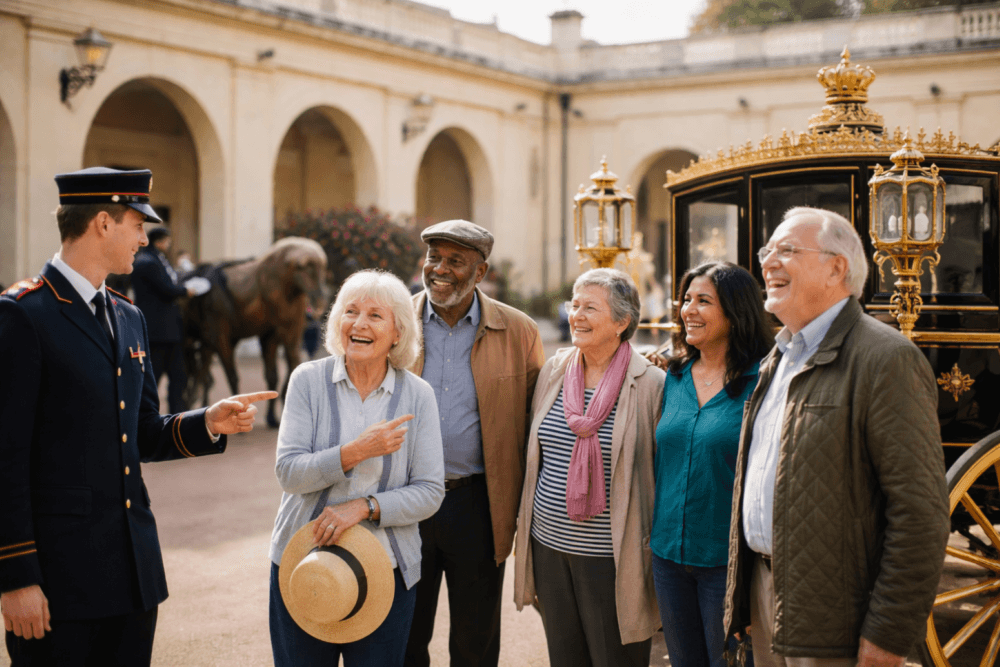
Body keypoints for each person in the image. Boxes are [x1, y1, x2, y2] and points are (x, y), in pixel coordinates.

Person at [0, 166, 275, 666]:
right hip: (60, 581)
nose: (144, 238)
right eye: (137, 224)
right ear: (103, 223)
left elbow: (143, 431)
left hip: (132, 573)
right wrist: (16, 576)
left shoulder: (129, 316)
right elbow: (5, 455)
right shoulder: (23, 314)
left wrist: (206, 422)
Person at [723, 207, 950, 667]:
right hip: (768, 599)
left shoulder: (885, 358)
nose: (767, 261)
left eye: (786, 250)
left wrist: (888, 635)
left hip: (837, 622)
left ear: (836, 268)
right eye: (768, 250)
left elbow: (920, 515)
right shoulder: (778, 358)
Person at [268, 269, 445, 666]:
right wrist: (356, 451)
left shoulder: (418, 395)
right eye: (350, 312)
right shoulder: (307, 381)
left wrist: (365, 507)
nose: (359, 324)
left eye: (375, 315)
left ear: (398, 332)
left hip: (387, 568)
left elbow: (430, 491)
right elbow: (289, 472)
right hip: (304, 564)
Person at [404, 220, 545, 667]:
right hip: (404, 503)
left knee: (475, 641)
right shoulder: (395, 321)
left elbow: (533, 418)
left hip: (479, 506)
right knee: (405, 636)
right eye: (434, 258)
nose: (439, 269)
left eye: (455, 261)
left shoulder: (519, 330)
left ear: (481, 272)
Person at [513, 268, 665, 667]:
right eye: (574, 305)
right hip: (549, 547)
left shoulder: (651, 384)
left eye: (590, 308)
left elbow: (660, 474)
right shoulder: (556, 370)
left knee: (615, 658)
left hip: (611, 556)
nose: (576, 315)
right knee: (565, 657)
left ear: (622, 321)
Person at [651, 262, 773, 667]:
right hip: (668, 555)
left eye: (704, 300)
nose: (688, 309)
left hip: (729, 564)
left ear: (736, 313)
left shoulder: (764, 383)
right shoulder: (672, 376)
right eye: (686, 299)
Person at [130, 225, 192, 413]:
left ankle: (175, 414)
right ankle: (148, 415)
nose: (169, 244)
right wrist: (187, 291)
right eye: (167, 240)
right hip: (160, 331)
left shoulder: (155, 259)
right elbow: (167, 289)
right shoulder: (149, 262)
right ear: (159, 241)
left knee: (177, 376)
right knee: (154, 377)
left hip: (167, 331)